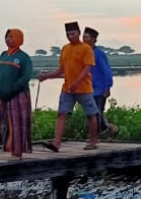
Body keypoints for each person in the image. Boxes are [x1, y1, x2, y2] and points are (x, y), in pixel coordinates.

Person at [37, 21, 99, 152]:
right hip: (67, 89)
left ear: (79, 33)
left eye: (73, 33)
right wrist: (46, 76)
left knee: (91, 115)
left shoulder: (86, 49)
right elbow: (61, 70)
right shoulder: (65, 49)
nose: (70, 36)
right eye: (68, 34)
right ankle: (56, 143)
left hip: (84, 89)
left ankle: (93, 142)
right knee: (61, 114)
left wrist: (77, 82)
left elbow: (87, 68)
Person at [0, 28, 33, 160]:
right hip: (3, 96)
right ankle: (7, 147)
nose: (8, 39)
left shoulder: (23, 57)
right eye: (6, 37)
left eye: (11, 37)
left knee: (17, 122)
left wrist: (14, 89)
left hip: (18, 95)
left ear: (18, 39)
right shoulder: (3, 55)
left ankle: (17, 152)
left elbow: (26, 76)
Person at [83, 26, 119, 138]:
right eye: (83, 37)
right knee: (92, 113)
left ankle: (95, 137)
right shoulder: (84, 53)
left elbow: (106, 71)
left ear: (93, 39)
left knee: (97, 112)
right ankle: (109, 129)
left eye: (86, 37)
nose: (84, 39)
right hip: (87, 89)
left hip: (99, 89)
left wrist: (107, 87)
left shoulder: (99, 54)